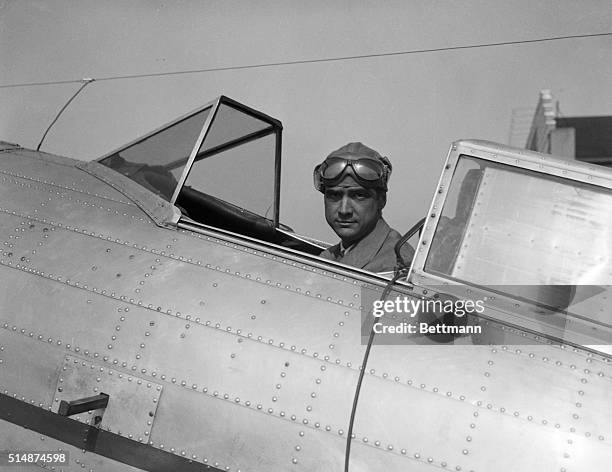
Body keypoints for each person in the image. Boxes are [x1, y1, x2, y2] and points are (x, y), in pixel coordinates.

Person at [313, 142, 414, 273]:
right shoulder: (333, 255)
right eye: (334, 195)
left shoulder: (396, 268)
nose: (344, 210)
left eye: (359, 195)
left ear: (381, 200)